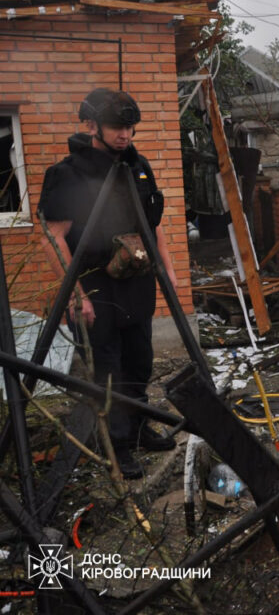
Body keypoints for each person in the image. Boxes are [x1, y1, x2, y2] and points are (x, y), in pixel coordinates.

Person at [38, 87, 177, 480]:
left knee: (140, 361)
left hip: (137, 281)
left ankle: (136, 429)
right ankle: (115, 444)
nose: (125, 135)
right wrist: (75, 294)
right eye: (118, 127)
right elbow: (52, 237)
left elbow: (153, 224)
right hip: (96, 284)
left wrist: (168, 269)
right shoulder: (67, 174)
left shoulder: (138, 166)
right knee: (109, 369)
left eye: (130, 128)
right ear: (90, 124)